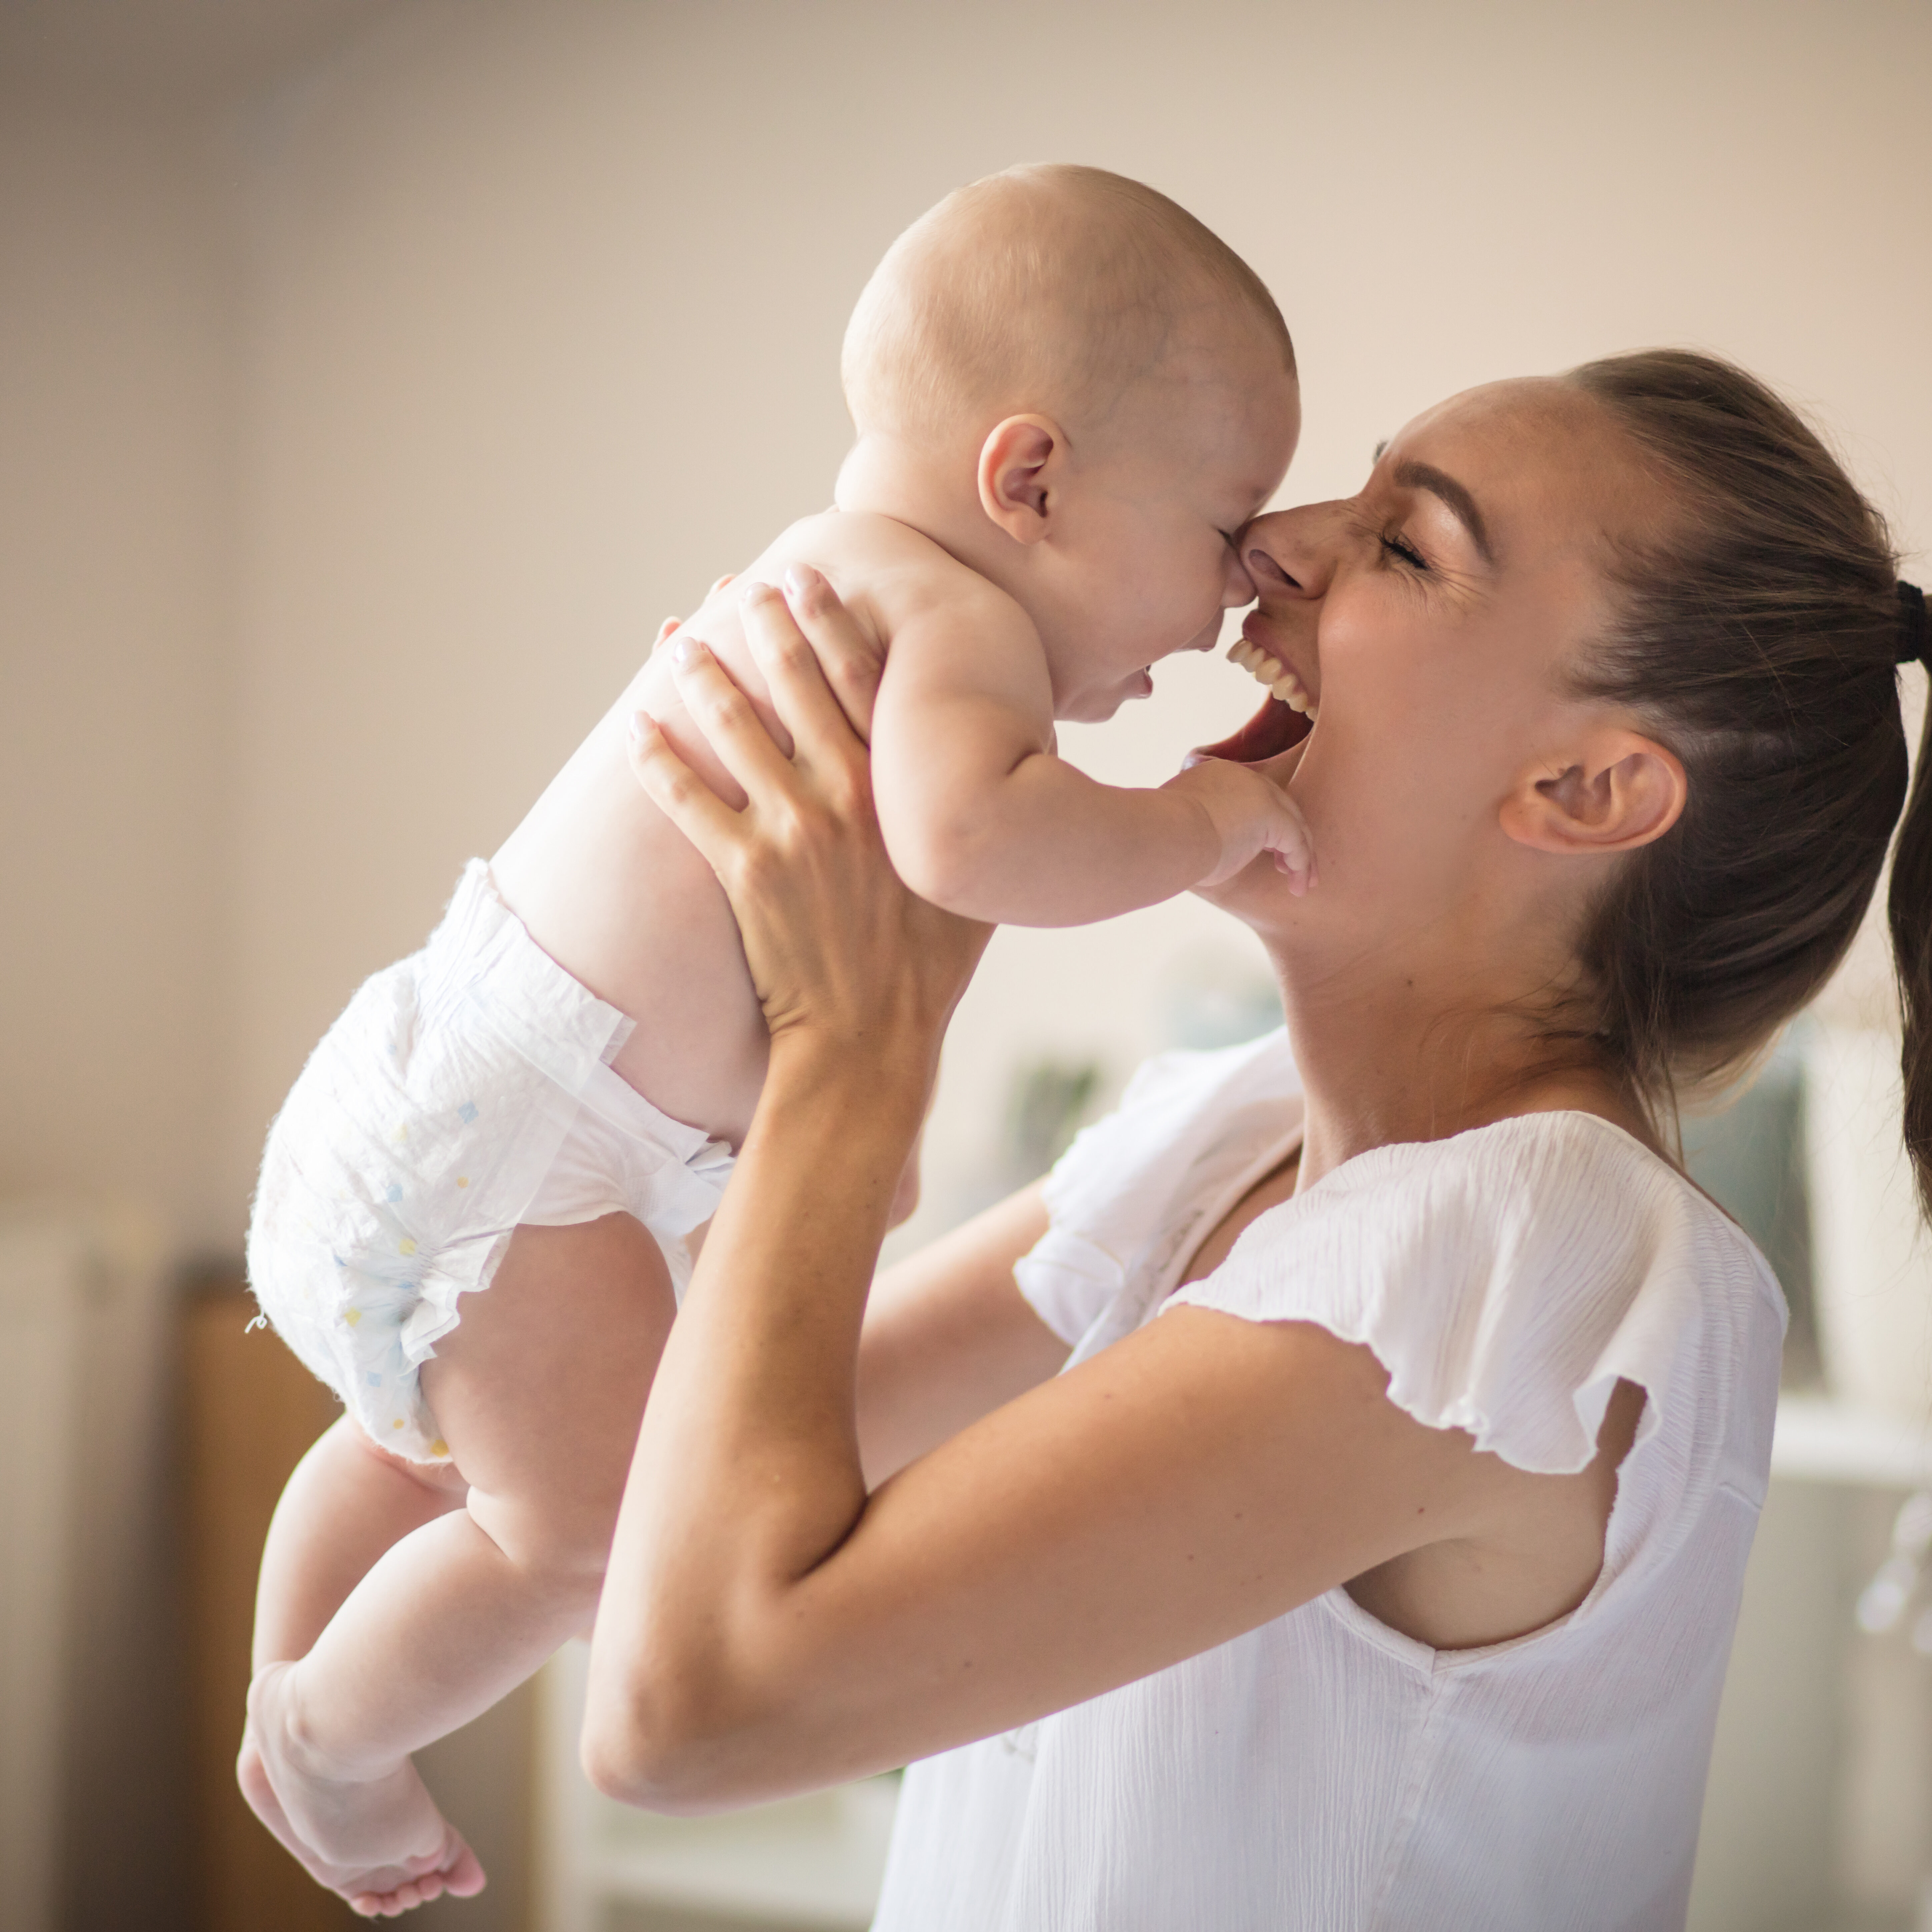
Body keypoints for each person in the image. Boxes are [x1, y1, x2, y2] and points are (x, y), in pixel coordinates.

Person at [586, 351, 1931, 1930]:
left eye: (1405, 545)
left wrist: (852, 1051)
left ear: (1583, 787)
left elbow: (691, 1708)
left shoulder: (1529, 1257)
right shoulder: (1228, 1133)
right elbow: (626, 1488)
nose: (1274, 542)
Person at [237, 164, 1306, 1915]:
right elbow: (976, 845)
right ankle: (327, 1749)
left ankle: (291, 1689)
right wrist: (1205, 820)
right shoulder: (952, 618)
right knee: (593, 1545)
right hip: (535, 1146)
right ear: (1028, 479)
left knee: (417, 1451)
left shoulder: (842, 579)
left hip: (466, 1096)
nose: (1227, 606)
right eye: (1222, 527)